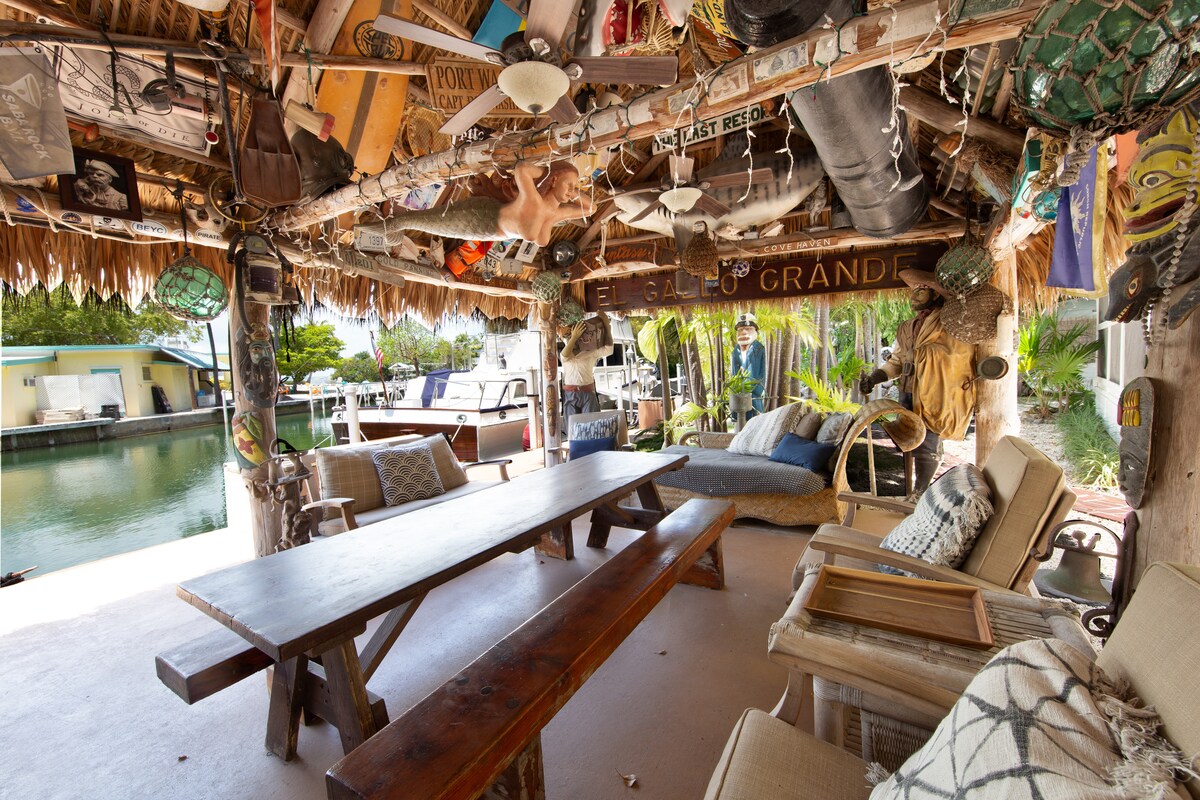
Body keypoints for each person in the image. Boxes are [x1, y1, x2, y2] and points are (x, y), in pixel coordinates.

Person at [859, 269, 976, 496]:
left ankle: (921, 491)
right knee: (907, 438)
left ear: (936, 294)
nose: (914, 296)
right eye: (913, 291)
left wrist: (922, 355)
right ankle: (909, 489)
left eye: (921, 291)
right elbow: (897, 361)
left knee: (928, 439)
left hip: (935, 391)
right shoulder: (907, 327)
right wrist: (874, 378)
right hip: (908, 391)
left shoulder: (949, 323)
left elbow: (958, 356)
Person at [559, 310, 613, 430]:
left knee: (591, 425)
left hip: (587, 392)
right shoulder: (567, 354)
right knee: (572, 427)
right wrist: (574, 337)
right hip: (570, 394)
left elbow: (609, 349)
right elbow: (564, 355)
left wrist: (606, 325)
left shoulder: (590, 352)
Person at [729, 312, 766, 419]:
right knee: (739, 422)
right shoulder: (735, 351)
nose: (744, 332)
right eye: (740, 330)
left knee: (755, 420)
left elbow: (762, 372)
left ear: (755, 331)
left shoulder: (759, 349)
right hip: (738, 396)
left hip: (753, 396)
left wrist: (754, 389)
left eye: (748, 329)